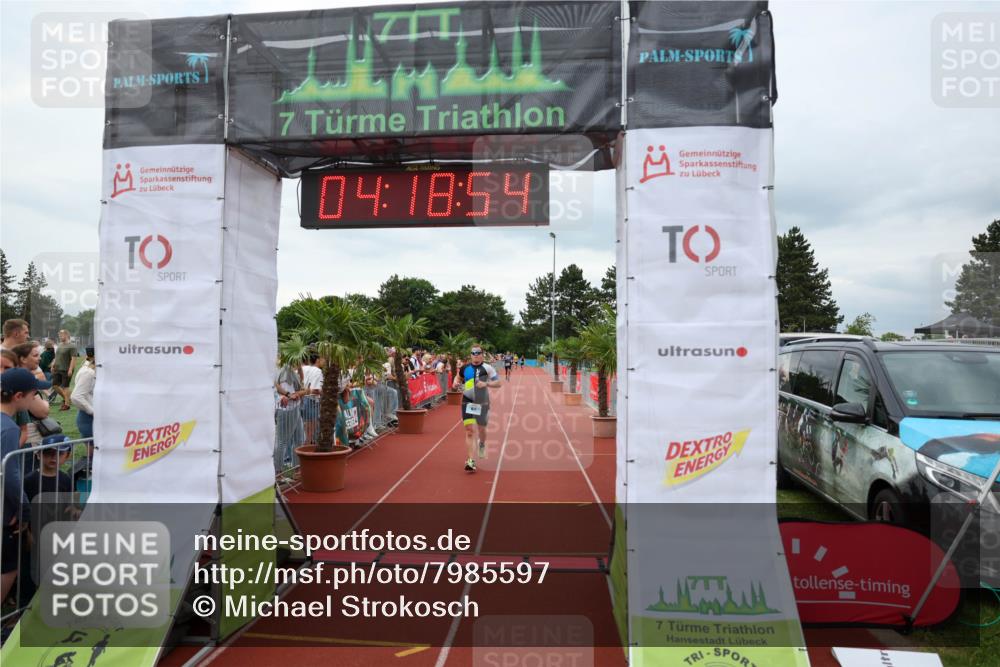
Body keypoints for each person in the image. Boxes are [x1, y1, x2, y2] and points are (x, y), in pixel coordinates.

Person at [2, 368, 52, 602]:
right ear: (19, 396)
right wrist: (24, 510)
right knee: (8, 568)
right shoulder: (9, 428)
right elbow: (9, 474)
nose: (36, 400)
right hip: (5, 513)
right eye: (34, 394)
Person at [452, 345, 501, 472]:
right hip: (467, 401)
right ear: (470, 354)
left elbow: (498, 383)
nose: (476, 355)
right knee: (469, 431)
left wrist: (486, 383)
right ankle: (470, 460)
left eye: (478, 353)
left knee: (481, 429)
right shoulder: (465, 368)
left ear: (482, 354)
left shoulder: (488, 368)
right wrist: (455, 382)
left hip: (482, 402)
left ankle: (482, 444)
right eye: (473, 353)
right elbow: (458, 377)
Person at [274, 359, 306, 475]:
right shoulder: (285, 372)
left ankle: (296, 469)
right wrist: (291, 395)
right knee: (282, 441)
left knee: (300, 439)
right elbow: (289, 393)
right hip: (287, 410)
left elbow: (301, 384)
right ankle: (278, 472)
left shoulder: (291, 372)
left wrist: (300, 368)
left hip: (294, 409)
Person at [71, 348, 96, 453]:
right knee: (93, 457)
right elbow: (76, 396)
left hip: (90, 418)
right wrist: (93, 411)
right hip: (89, 419)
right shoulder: (88, 372)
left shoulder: (90, 369)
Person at [50, 330, 77, 411]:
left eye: (61, 335)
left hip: (66, 369)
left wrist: (70, 370)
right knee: (54, 386)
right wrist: (53, 364)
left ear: (67, 335)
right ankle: (67, 399)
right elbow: (56, 356)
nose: (60, 337)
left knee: (65, 387)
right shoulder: (60, 345)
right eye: (59, 335)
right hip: (57, 369)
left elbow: (73, 359)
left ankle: (67, 405)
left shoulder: (72, 346)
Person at [300, 353, 323, 445]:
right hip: (311, 401)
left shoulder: (303, 368)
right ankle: (305, 452)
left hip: (300, 399)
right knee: (309, 432)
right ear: (317, 360)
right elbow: (316, 389)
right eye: (322, 359)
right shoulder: (317, 371)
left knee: (303, 430)